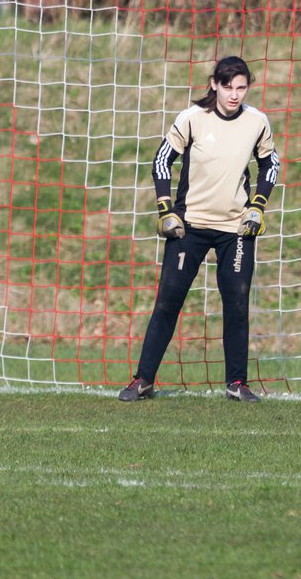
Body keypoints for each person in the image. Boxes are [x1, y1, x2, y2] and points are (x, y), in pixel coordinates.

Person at [119, 56, 280, 403]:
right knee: (167, 302)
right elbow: (162, 161)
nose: (234, 95)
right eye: (228, 87)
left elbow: (271, 164)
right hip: (188, 227)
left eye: (241, 87)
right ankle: (143, 380)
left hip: (235, 229)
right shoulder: (192, 119)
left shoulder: (257, 122)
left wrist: (258, 205)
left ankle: (237, 383)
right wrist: (166, 209)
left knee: (236, 303)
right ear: (214, 84)